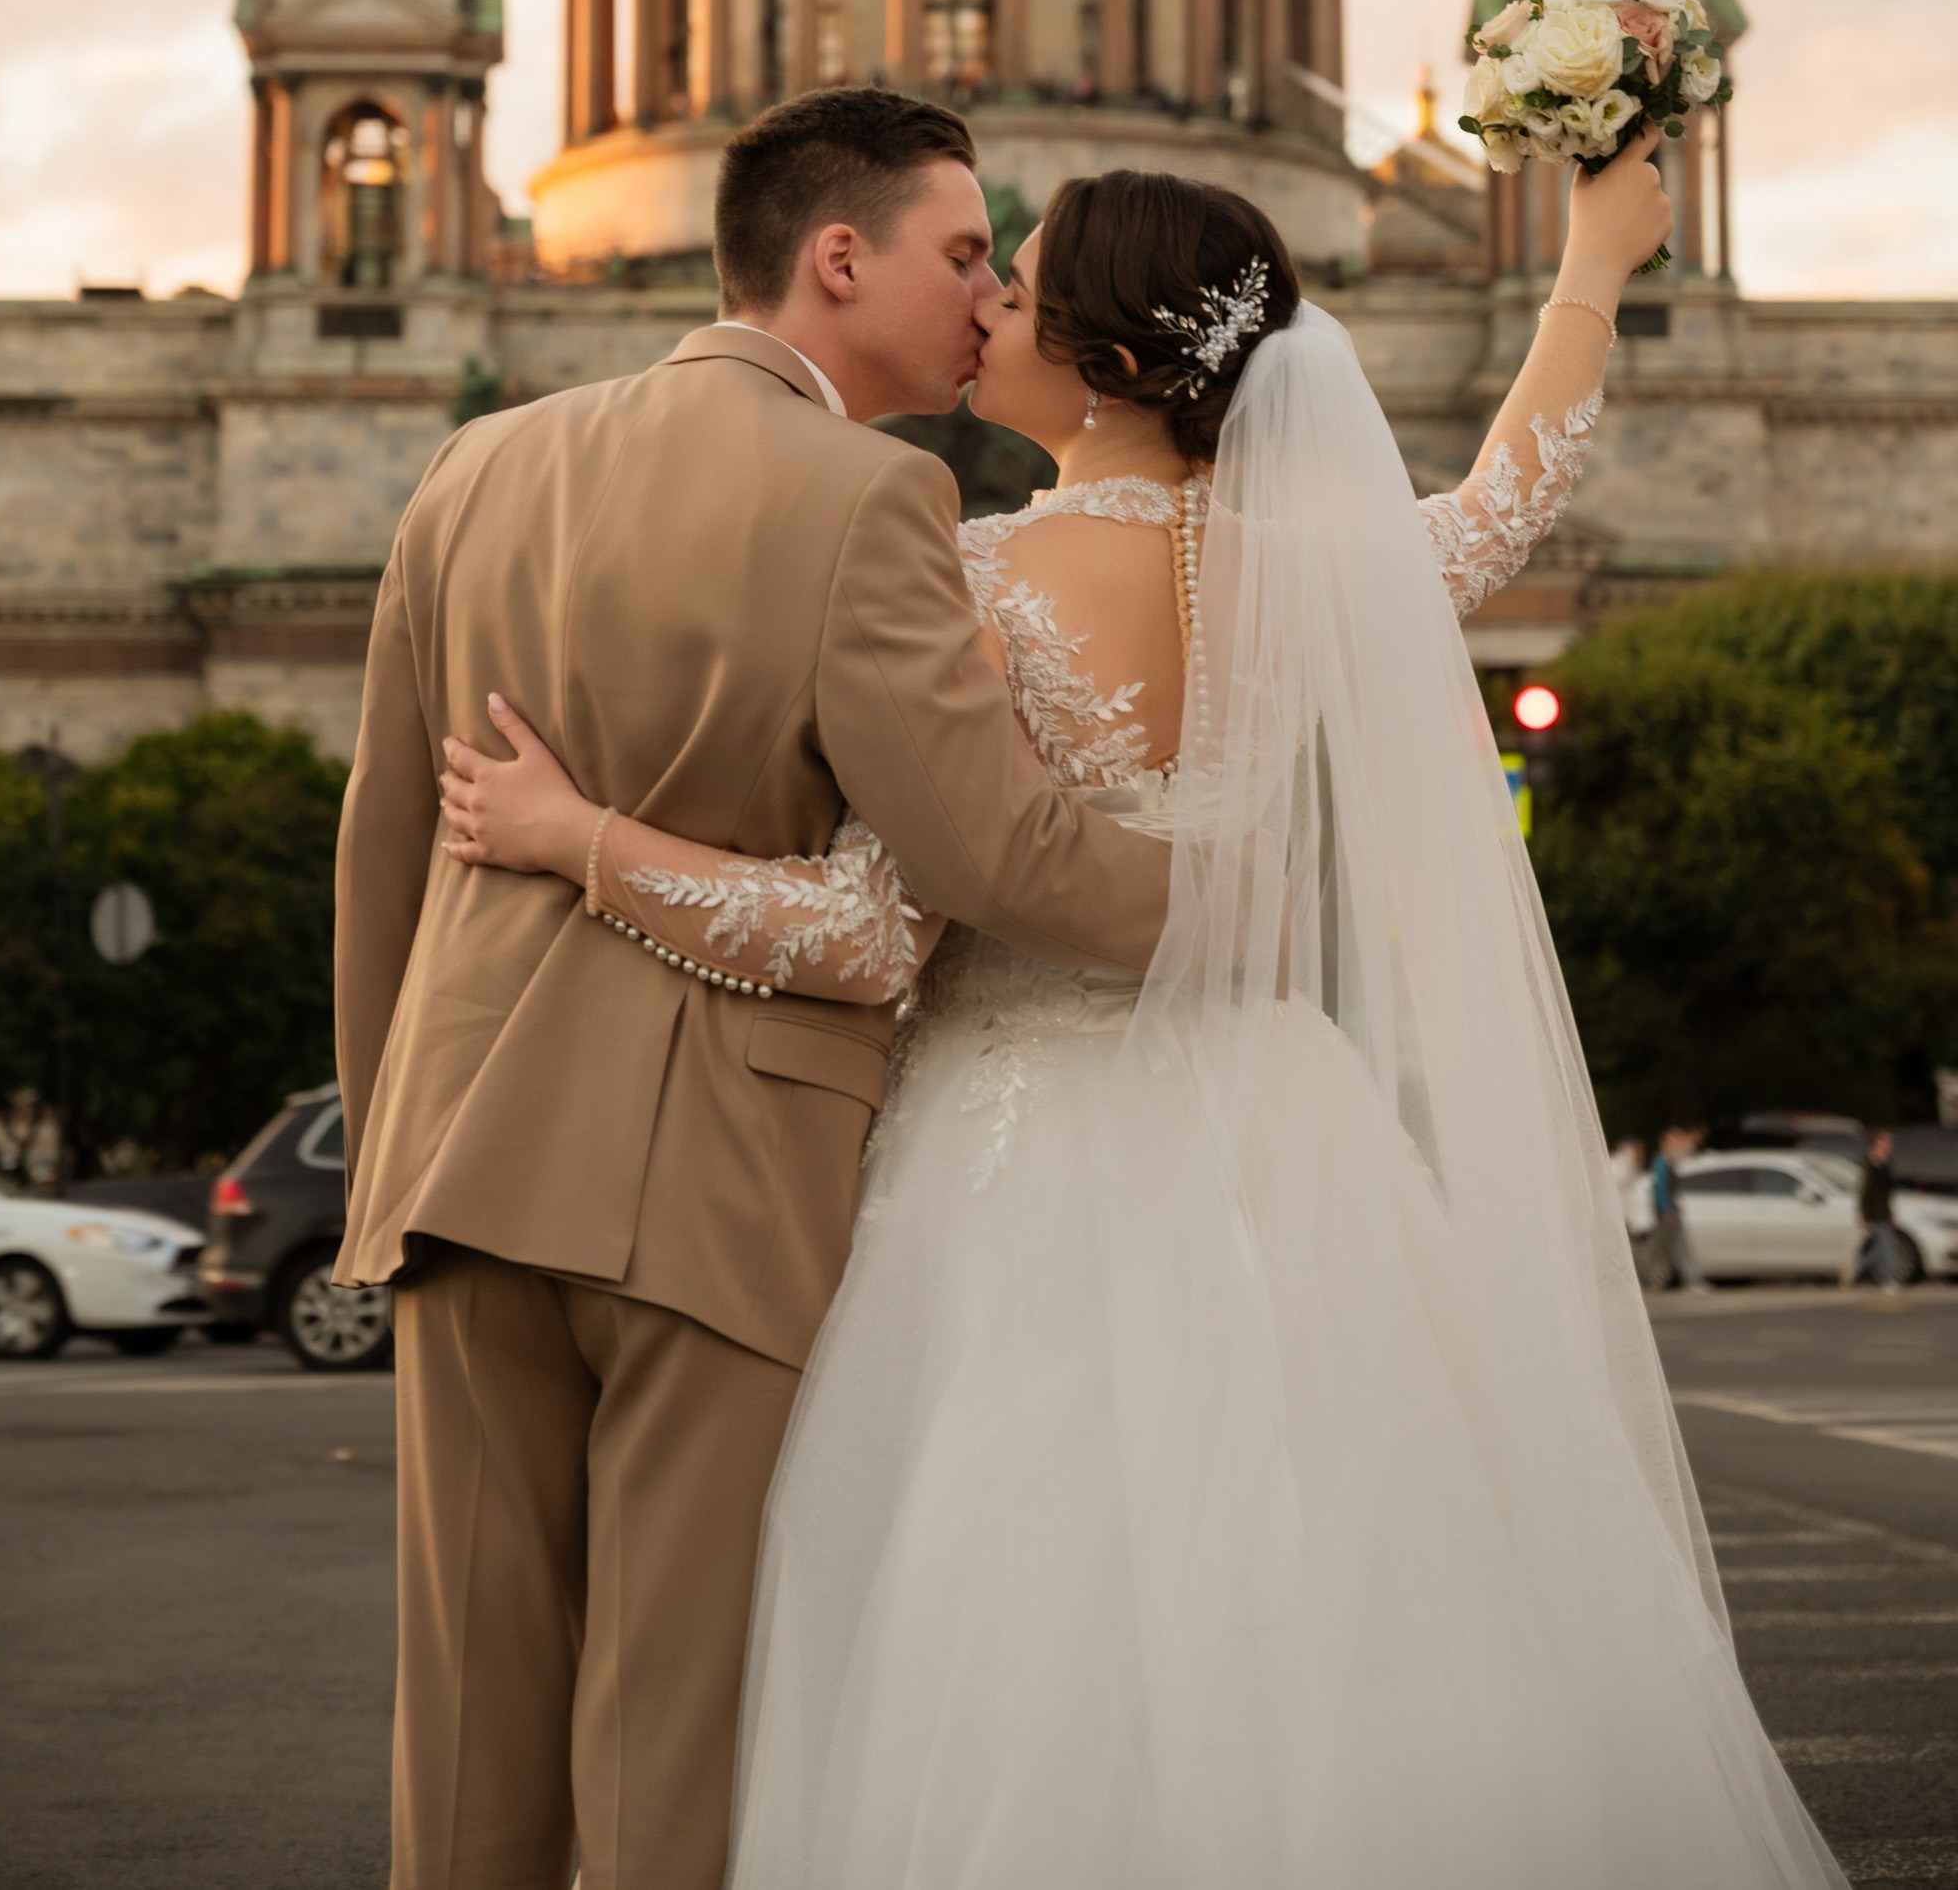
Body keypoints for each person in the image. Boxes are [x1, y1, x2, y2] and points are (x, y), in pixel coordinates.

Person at [445, 130, 1848, 1888]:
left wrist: (585, 839)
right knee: (1355, 1608)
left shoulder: (976, 574)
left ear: (1105, 361)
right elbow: (1511, 490)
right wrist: (1592, 267)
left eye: (1013, 288)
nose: (982, 308)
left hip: (1014, 1174)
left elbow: (871, 932)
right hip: (1290, 1132)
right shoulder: (1323, 572)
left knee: (1005, 1639)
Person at [333, 88, 1172, 1890]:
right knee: (670, 1740)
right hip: (712, 1186)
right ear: (837, 256)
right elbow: (999, 859)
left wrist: (390, 1146)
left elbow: (384, 855)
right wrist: (1252, 904)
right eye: (964, 255)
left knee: (466, 1733)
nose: (985, 301)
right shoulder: (877, 492)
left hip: (460, 1165)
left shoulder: (475, 462)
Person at [1648, 1123, 1708, 1291]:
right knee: (1672, 1247)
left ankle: (1662, 1279)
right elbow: (1661, 1188)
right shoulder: (1662, 1163)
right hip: (1668, 1212)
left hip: (1668, 1210)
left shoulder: (1667, 1161)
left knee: (1668, 1247)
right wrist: (1667, 1208)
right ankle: (1687, 1279)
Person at [1857, 1128, 1904, 1285]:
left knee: (1880, 1248)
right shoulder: (1870, 1165)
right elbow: (1865, 1193)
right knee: (1888, 1248)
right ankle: (1888, 1279)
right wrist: (1864, 1218)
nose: (1888, 1145)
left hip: (1884, 1212)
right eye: (1885, 1142)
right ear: (1876, 1144)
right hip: (1874, 1214)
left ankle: (1856, 1267)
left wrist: (1892, 1212)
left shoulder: (1886, 1164)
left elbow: (1888, 1192)